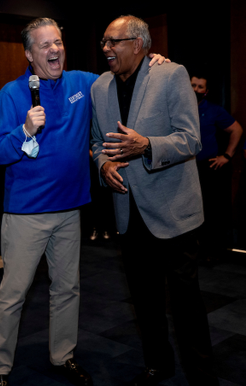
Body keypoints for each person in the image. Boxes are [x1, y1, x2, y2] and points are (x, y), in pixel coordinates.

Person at [0, 17, 167, 386]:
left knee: (67, 289)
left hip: (70, 211)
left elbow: (123, 69)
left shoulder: (84, 84)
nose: (55, 50)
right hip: (26, 214)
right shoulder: (11, 93)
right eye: (45, 45)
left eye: (58, 43)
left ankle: (62, 355)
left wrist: (150, 59)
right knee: (13, 294)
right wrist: (24, 131)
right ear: (29, 54)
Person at [90, 15, 219, 386]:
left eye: (114, 41)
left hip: (173, 212)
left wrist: (147, 145)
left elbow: (190, 138)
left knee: (186, 306)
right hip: (128, 214)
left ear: (139, 44)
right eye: (103, 42)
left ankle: (202, 375)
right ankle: (158, 365)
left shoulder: (172, 74)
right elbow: (98, 142)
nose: (106, 49)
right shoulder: (99, 87)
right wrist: (103, 166)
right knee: (145, 303)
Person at [190, 73, 243, 264]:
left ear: (206, 91)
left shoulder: (213, 110)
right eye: (193, 85)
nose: (195, 90)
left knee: (208, 211)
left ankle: (209, 252)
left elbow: (236, 130)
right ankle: (189, 251)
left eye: (200, 87)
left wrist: (227, 156)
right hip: (183, 169)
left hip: (206, 168)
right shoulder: (177, 108)